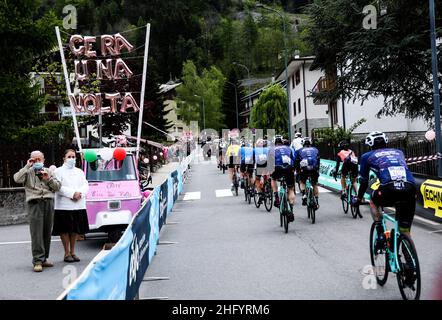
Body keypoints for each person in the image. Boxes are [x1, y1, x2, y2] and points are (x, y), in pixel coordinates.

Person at [352, 131, 417, 247]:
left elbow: (364, 182)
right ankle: (409, 260)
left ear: (370, 144)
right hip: (410, 189)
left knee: (373, 200)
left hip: (388, 189)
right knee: (404, 230)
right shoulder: (399, 152)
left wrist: (359, 199)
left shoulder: (367, 156)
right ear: (386, 141)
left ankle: (381, 232)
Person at [13, 150, 61, 272]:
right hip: (34, 202)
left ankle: (44, 258)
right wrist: (27, 166)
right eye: (34, 160)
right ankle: (37, 260)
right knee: (36, 233)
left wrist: (47, 179)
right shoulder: (27, 172)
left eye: (39, 159)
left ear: (44, 160)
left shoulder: (49, 171)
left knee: (46, 231)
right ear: (31, 160)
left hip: (48, 201)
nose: (37, 162)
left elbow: (57, 186)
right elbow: (16, 179)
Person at [52, 149, 90, 263]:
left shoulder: (79, 171)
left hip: (78, 204)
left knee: (74, 230)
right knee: (64, 229)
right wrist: (72, 194)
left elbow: (85, 184)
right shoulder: (58, 171)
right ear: (64, 158)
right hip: (64, 205)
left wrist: (80, 193)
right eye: (69, 156)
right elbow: (57, 187)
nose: (72, 159)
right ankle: (66, 252)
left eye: (73, 157)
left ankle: (73, 252)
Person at [269, 135, 296, 222]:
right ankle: (291, 210)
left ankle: (276, 196)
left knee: (273, 179)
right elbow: (293, 159)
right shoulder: (289, 148)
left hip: (277, 168)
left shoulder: (271, 149)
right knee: (291, 189)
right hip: (288, 168)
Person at [295, 137, 320, 208]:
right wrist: (318, 169)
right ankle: (317, 201)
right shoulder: (315, 149)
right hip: (314, 168)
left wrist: (297, 170)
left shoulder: (299, 150)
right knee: (314, 184)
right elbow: (318, 160)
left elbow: (297, 161)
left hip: (304, 169)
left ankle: (304, 195)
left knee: (302, 182)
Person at [254, 138, 269, 204]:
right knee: (266, 175)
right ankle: (267, 186)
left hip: (259, 165)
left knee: (257, 179)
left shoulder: (255, 150)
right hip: (267, 164)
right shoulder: (267, 149)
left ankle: (260, 194)